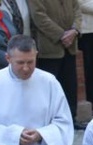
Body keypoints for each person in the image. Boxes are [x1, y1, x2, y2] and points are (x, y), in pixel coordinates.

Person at [27, 0, 84, 129]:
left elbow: (77, 11)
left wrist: (75, 30)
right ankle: (50, 123)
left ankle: (71, 119)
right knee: (49, 88)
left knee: (70, 85)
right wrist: (61, 35)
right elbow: (39, 16)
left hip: (70, 46)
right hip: (49, 48)